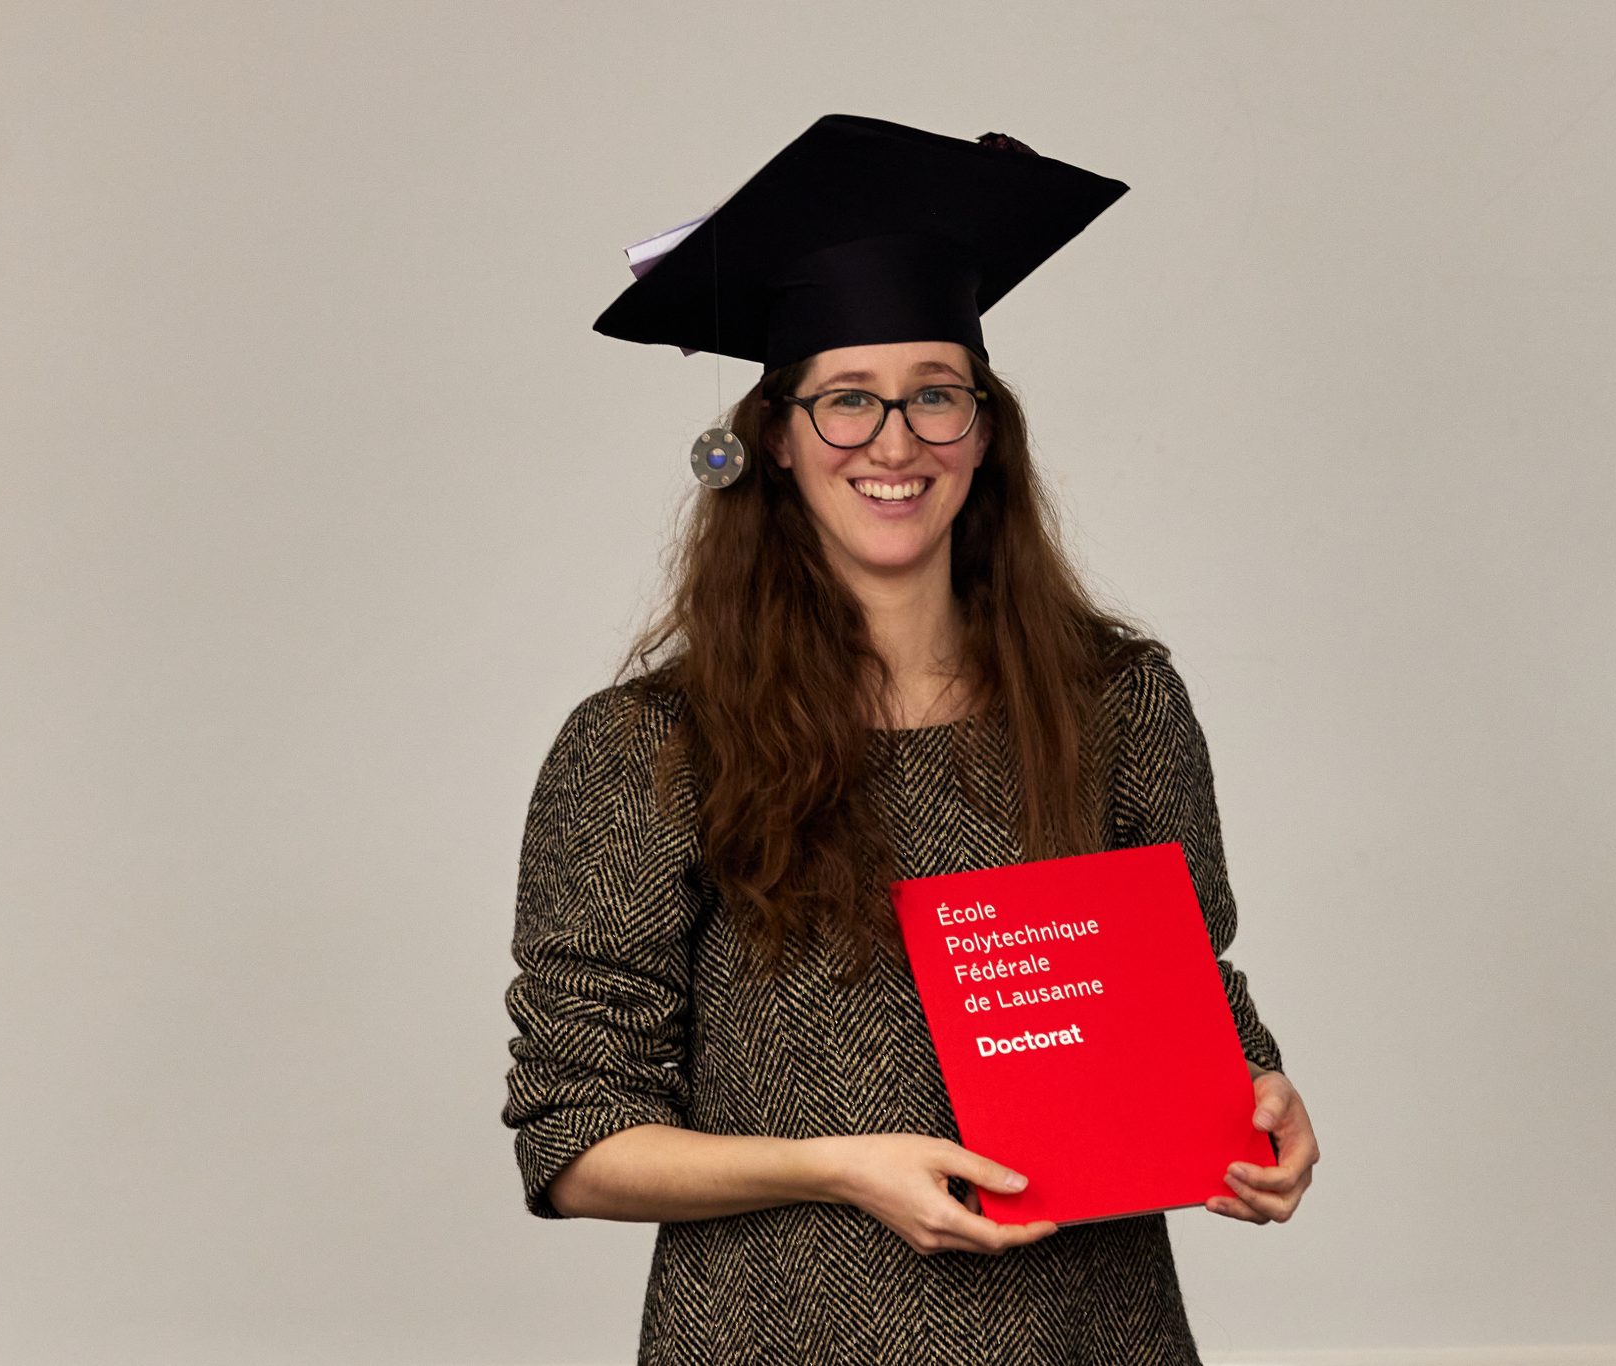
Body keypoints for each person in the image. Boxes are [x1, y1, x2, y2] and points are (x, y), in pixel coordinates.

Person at [501, 114, 1319, 1366]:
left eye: (935, 395)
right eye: (847, 402)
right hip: (784, 1334)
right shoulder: (650, 747)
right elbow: (576, 1140)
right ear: (776, 439)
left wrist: (1257, 1099)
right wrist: (835, 1166)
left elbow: (1189, 989)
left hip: (1089, 1331)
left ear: (984, 432)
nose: (894, 442)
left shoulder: (1116, 702)